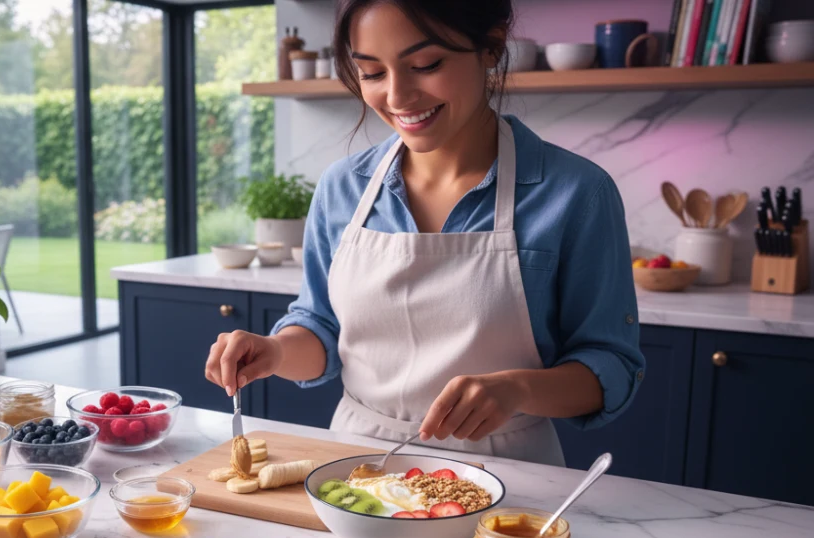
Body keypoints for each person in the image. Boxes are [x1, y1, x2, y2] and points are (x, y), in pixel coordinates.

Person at [205, 0, 645, 465]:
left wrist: (518, 389)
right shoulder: (343, 187)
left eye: (425, 65)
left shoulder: (576, 193)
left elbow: (610, 366)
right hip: (357, 462)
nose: (397, 96)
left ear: (491, 47)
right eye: (372, 73)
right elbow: (322, 326)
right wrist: (275, 351)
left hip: (511, 471)